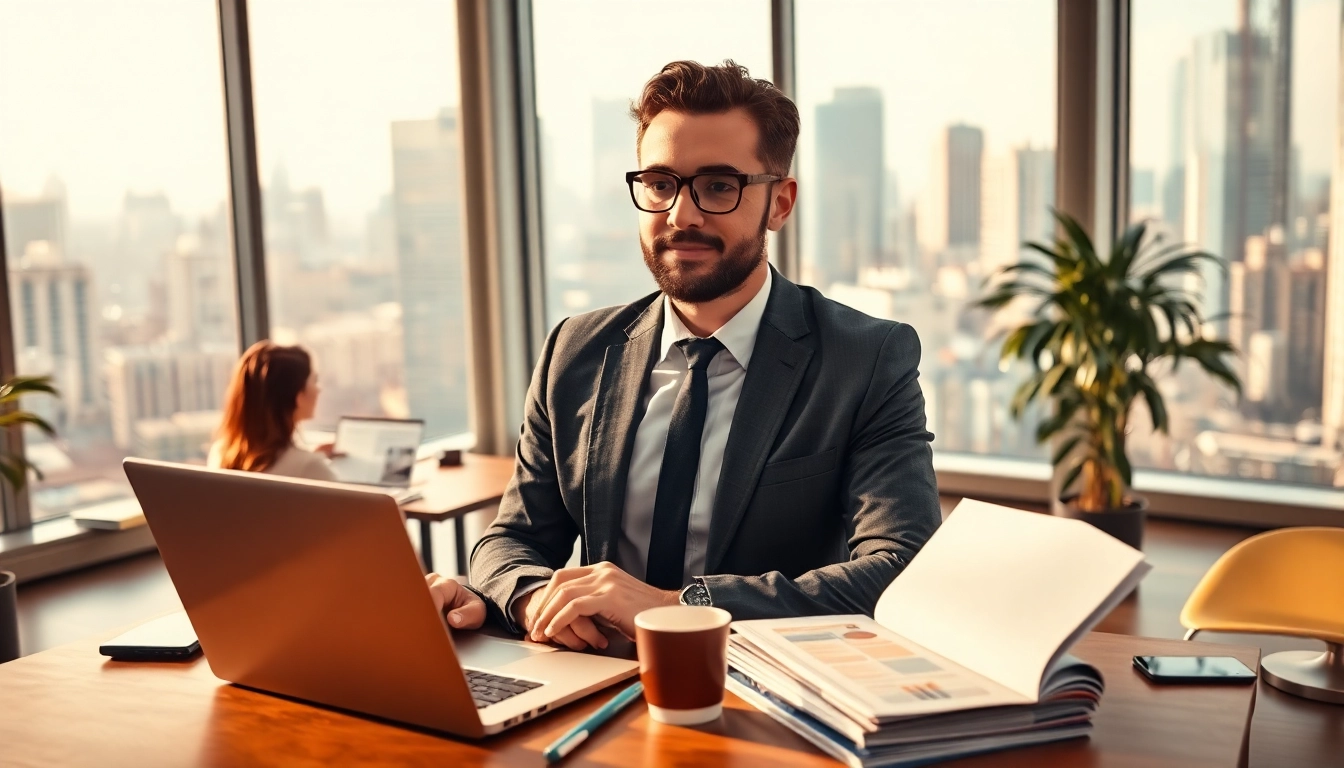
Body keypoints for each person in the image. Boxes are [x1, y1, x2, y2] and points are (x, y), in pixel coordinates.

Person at [428, 60, 941, 649]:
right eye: (660, 183)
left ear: (780, 202)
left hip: (759, 692)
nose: (681, 215)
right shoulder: (575, 350)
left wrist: (680, 607)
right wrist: (530, 596)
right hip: (589, 676)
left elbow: (901, 565)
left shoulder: (866, 358)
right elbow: (511, 538)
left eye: (719, 186)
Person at [207, 340, 339, 482]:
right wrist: (310, 463)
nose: (318, 389)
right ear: (298, 396)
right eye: (314, 381)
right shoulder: (310, 468)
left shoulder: (220, 455)